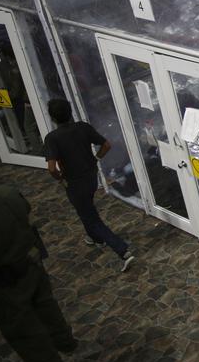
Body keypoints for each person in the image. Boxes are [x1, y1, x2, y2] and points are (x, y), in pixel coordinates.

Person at [43, 99, 134, 272]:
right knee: (85, 209)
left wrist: (60, 178)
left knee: (91, 218)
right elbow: (106, 145)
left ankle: (122, 250)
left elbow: (51, 168)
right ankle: (94, 238)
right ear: (70, 112)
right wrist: (96, 159)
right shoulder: (83, 127)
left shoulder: (52, 138)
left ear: (53, 118)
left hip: (74, 183)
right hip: (91, 177)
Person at [0, 185, 77, 362]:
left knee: (25, 333)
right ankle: (65, 341)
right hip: (31, 262)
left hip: (7, 283)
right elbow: (26, 211)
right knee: (46, 305)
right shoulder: (8, 192)